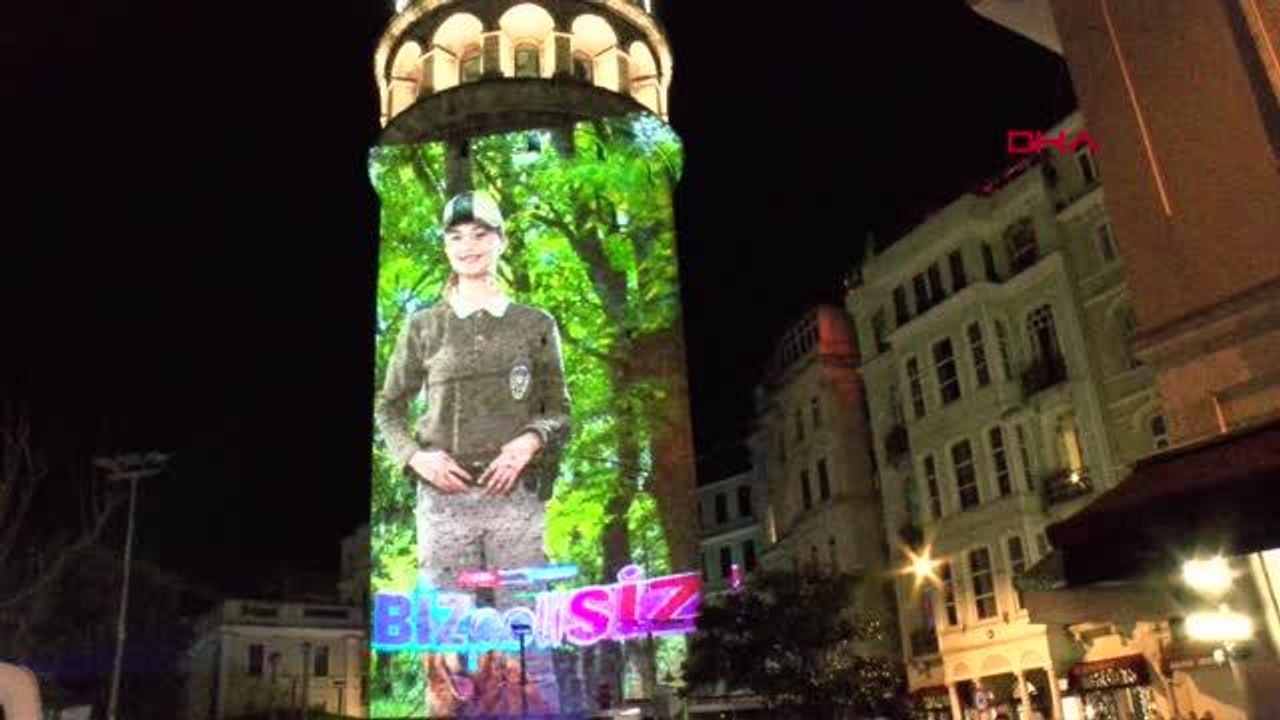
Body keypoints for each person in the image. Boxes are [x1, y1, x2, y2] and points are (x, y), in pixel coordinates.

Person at [376, 189, 571, 716]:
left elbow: (559, 408)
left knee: (525, 634)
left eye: (481, 234)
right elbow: (388, 408)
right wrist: (417, 458)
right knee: (445, 644)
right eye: (456, 236)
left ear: (501, 240)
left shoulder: (535, 324)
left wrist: (530, 440)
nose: (468, 246)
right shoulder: (422, 326)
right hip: (443, 503)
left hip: (514, 502)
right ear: (445, 246)